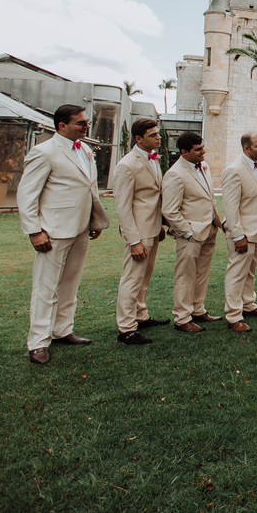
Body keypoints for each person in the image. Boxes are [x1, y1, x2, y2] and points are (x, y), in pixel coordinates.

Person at [16, 104, 109, 364]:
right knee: (45, 288)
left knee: (70, 284)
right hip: (53, 231)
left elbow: (89, 189)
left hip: (80, 229)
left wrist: (93, 221)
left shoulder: (86, 150)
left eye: (86, 122)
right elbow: (27, 194)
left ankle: (62, 330)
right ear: (62, 126)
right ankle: (38, 342)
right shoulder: (44, 152)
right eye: (81, 123)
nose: (86, 126)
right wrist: (35, 231)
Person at [111, 118, 169, 345]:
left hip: (152, 228)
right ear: (138, 139)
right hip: (139, 232)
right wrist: (134, 240)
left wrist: (160, 225)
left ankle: (140, 315)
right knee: (132, 278)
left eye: (158, 133)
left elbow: (153, 197)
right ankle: (126, 328)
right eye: (153, 135)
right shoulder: (127, 165)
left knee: (144, 277)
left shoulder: (152, 158)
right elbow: (123, 207)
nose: (158, 137)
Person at [162, 131, 223, 332]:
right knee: (185, 276)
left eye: (202, 147)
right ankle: (182, 318)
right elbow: (169, 210)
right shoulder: (175, 174)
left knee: (202, 273)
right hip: (190, 235)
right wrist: (188, 232)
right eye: (198, 149)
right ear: (184, 152)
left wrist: (215, 223)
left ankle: (198, 309)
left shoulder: (203, 166)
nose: (203, 152)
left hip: (209, 230)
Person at [220, 132, 257, 333]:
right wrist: (238, 236)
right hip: (242, 234)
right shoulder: (234, 170)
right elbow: (230, 207)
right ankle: (233, 316)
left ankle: (248, 304)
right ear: (246, 148)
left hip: (256, 231)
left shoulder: (256, 167)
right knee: (236, 274)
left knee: (249, 272)